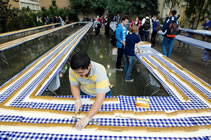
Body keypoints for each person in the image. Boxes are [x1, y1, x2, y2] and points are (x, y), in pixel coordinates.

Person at [69, 52, 111, 130]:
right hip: (85, 92)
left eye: (81, 73)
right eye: (76, 73)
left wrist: (87, 118)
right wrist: (77, 99)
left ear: (89, 66)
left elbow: (99, 99)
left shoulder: (99, 70)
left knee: (104, 117)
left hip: (102, 94)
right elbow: (74, 86)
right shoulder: (73, 70)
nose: (78, 75)